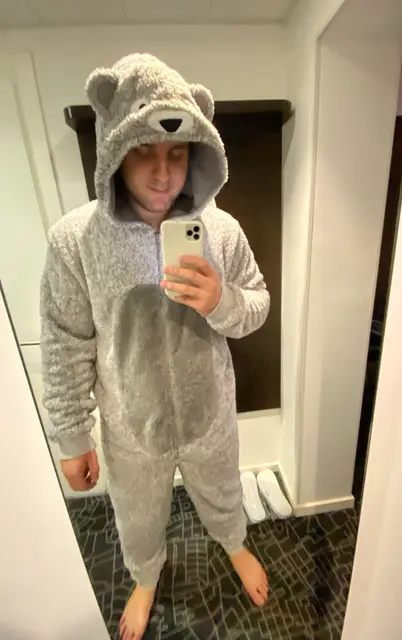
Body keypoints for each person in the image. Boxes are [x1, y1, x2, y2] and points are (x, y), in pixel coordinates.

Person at [40, 53, 270, 640]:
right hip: (130, 425)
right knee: (137, 514)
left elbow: (258, 305)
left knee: (223, 488)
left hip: (209, 412)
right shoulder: (75, 240)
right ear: (115, 148)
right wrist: (72, 436)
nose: (163, 174)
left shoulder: (221, 230)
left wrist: (222, 301)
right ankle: (145, 577)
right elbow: (66, 342)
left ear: (197, 149)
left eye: (177, 152)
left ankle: (234, 542)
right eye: (144, 150)